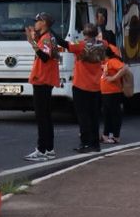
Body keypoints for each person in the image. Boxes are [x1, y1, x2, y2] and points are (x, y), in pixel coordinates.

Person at [66, 25, 109, 153]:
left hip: (80, 85)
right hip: (95, 86)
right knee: (94, 116)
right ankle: (95, 144)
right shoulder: (103, 44)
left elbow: (66, 44)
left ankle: (85, 143)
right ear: (96, 34)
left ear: (84, 33)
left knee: (83, 116)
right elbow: (105, 43)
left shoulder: (80, 44)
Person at [25, 12, 61, 160]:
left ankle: (42, 149)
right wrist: (34, 40)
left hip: (42, 80)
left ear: (44, 22)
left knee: (42, 117)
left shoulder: (47, 38)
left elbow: (45, 57)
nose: (35, 23)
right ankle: (49, 149)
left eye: (38, 21)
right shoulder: (47, 37)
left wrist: (32, 42)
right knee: (45, 116)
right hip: (44, 79)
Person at [99, 46, 126, 144]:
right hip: (106, 93)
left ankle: (116, 136)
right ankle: (106, 135)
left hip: (113, 92)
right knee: (107, 115)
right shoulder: (106, 62)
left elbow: (124, 68)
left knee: (114, 114)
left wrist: (113, 78)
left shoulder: (112, 61)